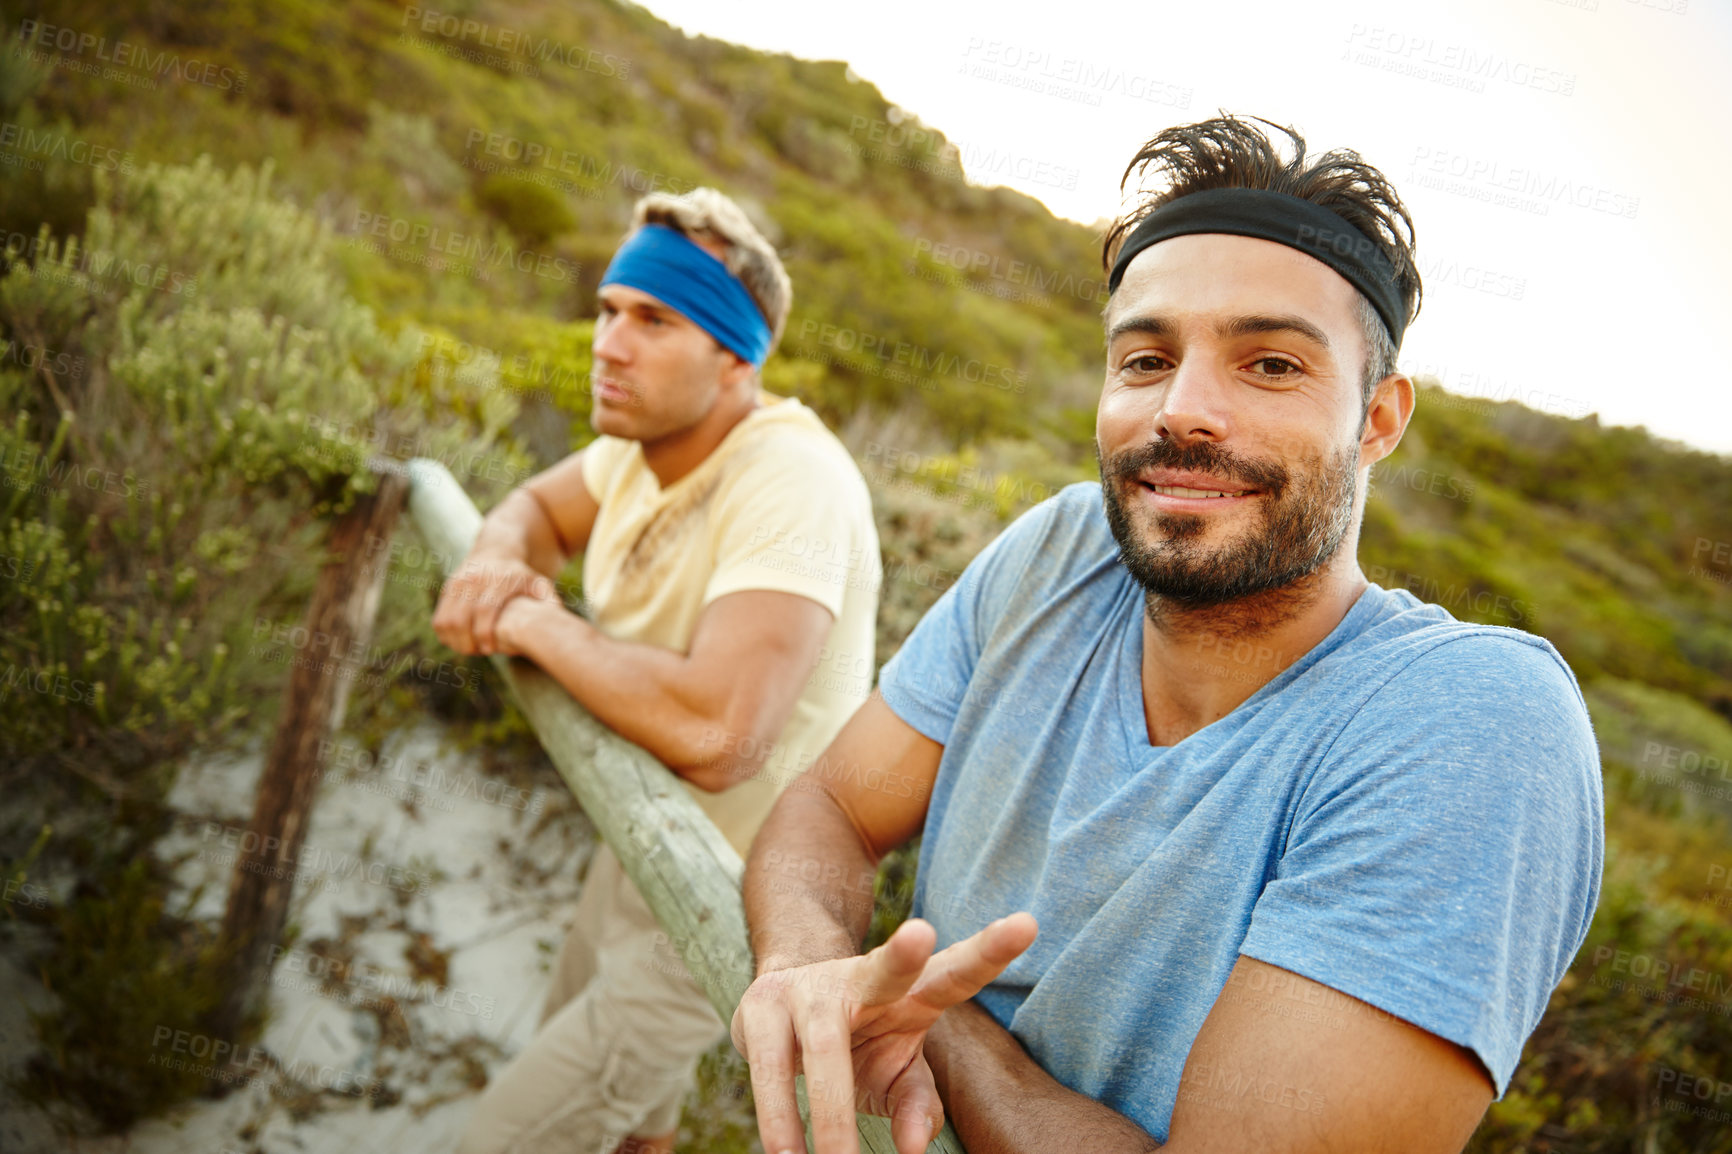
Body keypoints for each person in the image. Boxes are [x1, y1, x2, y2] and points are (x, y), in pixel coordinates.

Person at [731, 114, 1603, 1154]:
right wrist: (802, 972)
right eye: (1145, 358)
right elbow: (831, 803)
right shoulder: (1060, 552)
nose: (1183, 411)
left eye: (1270, 364)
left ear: (1377, 419)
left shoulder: (1470, 722)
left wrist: (940, 1023)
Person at [436, 187, 882, 1154]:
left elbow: (722, 735)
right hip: (637, 822)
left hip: (738, 880)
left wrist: (539, 628)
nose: (608, 341)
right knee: (631, 1121)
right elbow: (534, 513)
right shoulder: (640, 449)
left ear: (733, 354)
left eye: (652, 319)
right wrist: (496, 558)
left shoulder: (789, 480)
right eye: (605, 311)